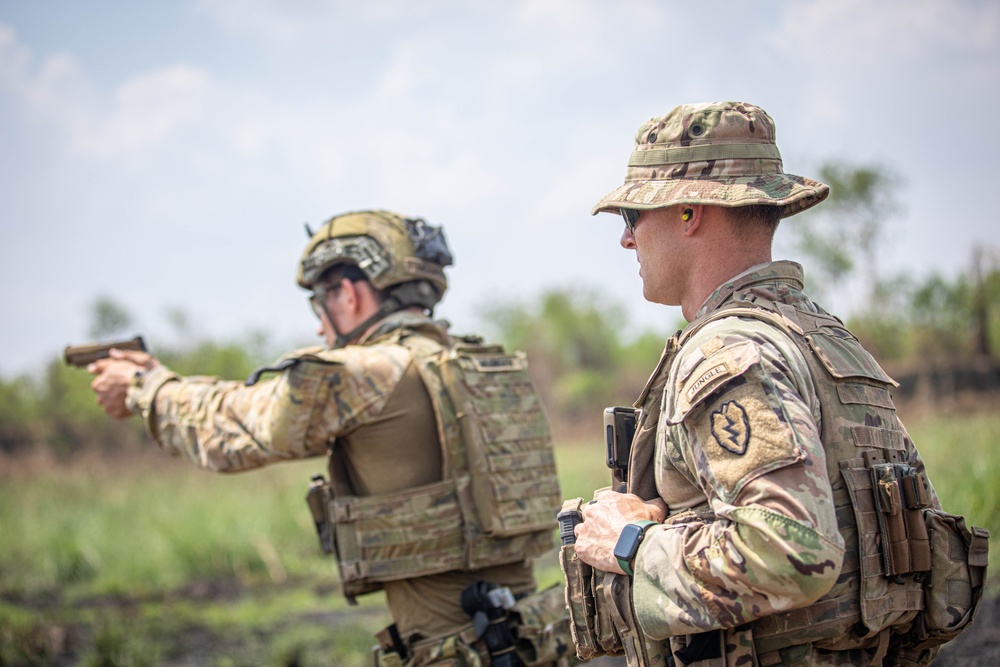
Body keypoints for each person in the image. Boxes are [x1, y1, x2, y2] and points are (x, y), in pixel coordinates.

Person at [564, 102, 988, 666]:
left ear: (689, 211)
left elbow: (790, 551)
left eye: (632, 217)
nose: (627, 240)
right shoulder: (826, 341)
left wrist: (629, 544)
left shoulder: (727, 353)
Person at [89, 210, 572, 667]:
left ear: (348, 294)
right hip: (525, 635)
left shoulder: (371, 369)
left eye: (320, 302)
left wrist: (144, 387)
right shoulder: (477, 364)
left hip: (453, 647)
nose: (320, 325)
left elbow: (233, 428)